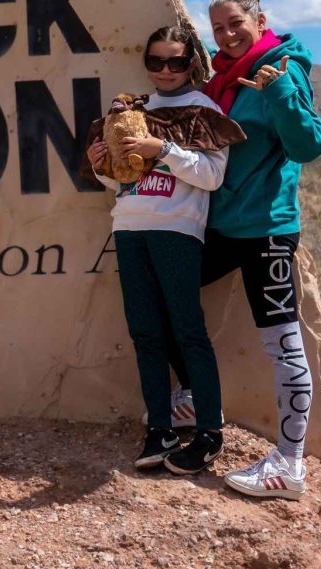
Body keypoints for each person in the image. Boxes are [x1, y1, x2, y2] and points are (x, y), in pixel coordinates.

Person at [166, 0, 321, 500]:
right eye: (218, 27)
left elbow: (308, 145)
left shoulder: (284, 69)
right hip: (219, 225)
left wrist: (278, 92)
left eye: (236, 23)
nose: (228, 34)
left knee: (282, 345)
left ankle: (290, 463)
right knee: (163, 290)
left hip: (267, 232)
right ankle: (191, 397)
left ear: (260, 20)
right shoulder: (222, 80)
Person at [86, 25, 229, 476]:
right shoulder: (131, 108)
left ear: (191, 63)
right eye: (155, 61)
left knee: (188, 330)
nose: (165, 71)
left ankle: (209, 432)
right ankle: (160, 430)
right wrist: (101, 168)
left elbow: (212, 176)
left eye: (175, 61)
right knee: (146, 333)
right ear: (145, 63)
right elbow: (123, 180)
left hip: (176, 228)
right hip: (129, 226)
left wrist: (162, 148)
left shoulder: (202, 108)